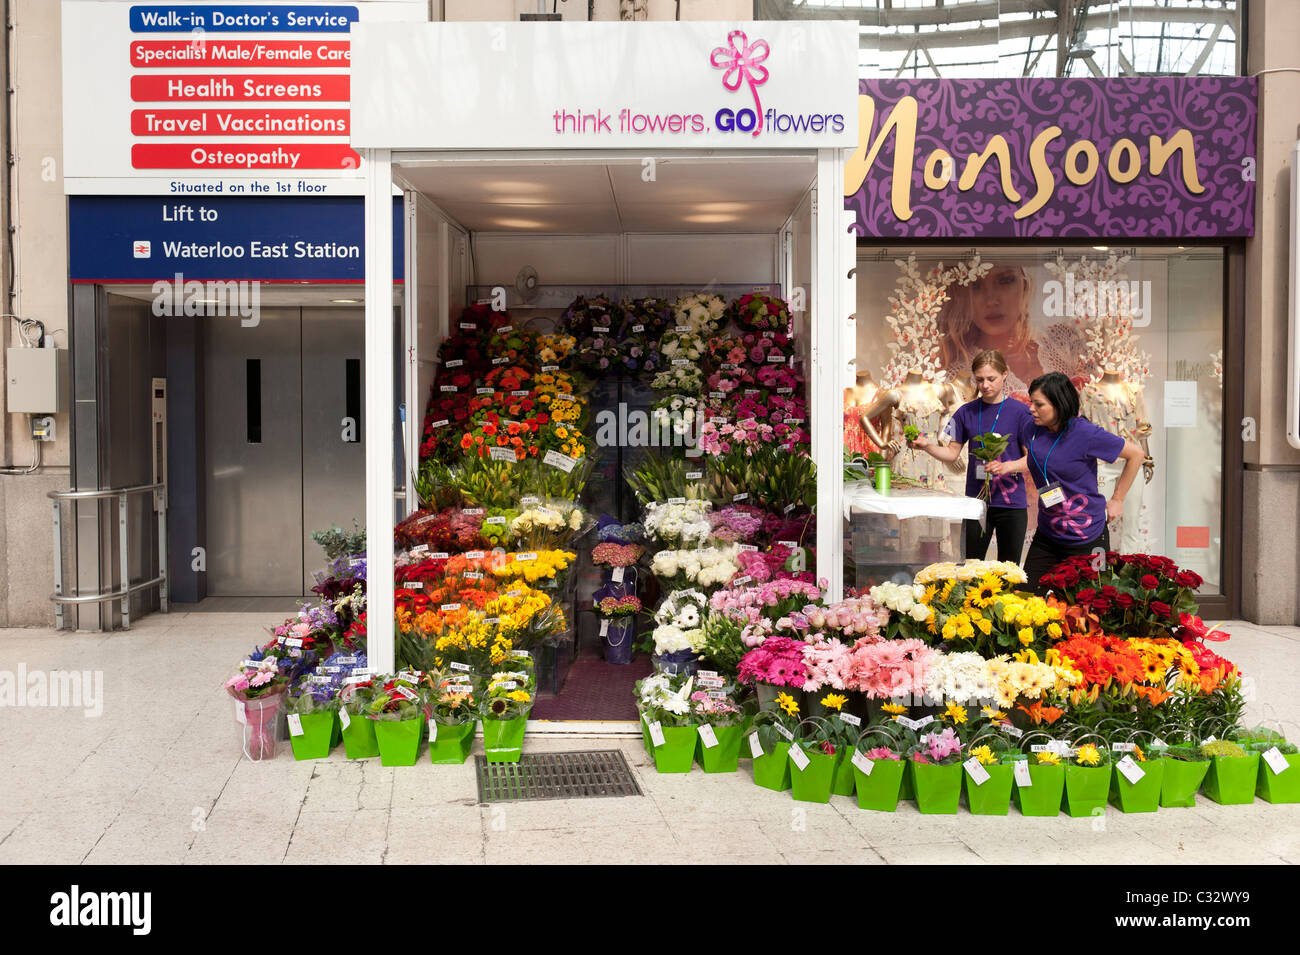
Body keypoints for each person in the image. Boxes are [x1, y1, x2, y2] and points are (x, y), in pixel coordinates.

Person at [987, 371, 1145, 594]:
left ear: (1059, 404)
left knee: (1091, 607)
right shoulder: (1031, 429)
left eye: (1039, 404)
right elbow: (1037, 460)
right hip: (1048, 535)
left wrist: (1117, 499)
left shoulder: (1086, 433)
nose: (1031, 408)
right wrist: (1009, 466)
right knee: (1025, 598)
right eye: (1031, 402)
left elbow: (1136, 454)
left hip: (1088, 537)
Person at [909, 351, 1033, 562]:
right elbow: (951, 453)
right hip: (976, 502)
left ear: (1005, 374)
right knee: (970, 565)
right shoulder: (965, 412)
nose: (985, 385)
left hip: (1011, 503)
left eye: (991, 379)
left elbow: (1032, 460)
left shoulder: (1022, 412)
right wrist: (927, 446)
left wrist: (1006, 467)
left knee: (1009, 569)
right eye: (980, 379)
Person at [938, 263, 1089, 395]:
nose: (991, 300)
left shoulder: (1064, 343)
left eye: (1005, 281)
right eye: (975, 286)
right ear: (962, 295)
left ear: (1025, 284)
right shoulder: (958, 378)